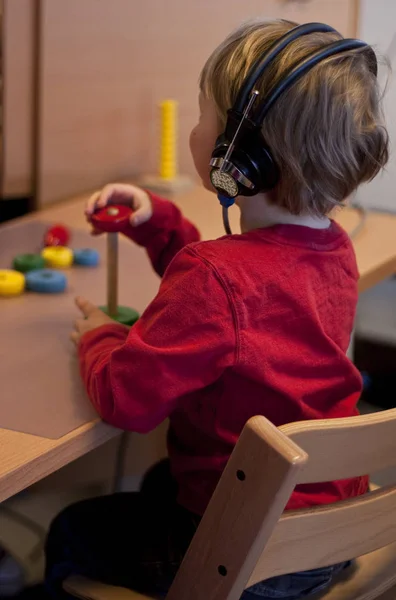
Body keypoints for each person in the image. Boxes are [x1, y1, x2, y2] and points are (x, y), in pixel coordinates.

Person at [21, 18, 389, 600]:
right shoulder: (333, 249)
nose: (197, 128)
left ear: (237, 159)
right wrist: (159, 223)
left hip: (245, 554)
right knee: (155, 482)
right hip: (324, 531)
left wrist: (99, 336)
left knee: (72, 528)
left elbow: (125, 400)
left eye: (202, 115)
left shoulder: (216, 279)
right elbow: (234, 303)